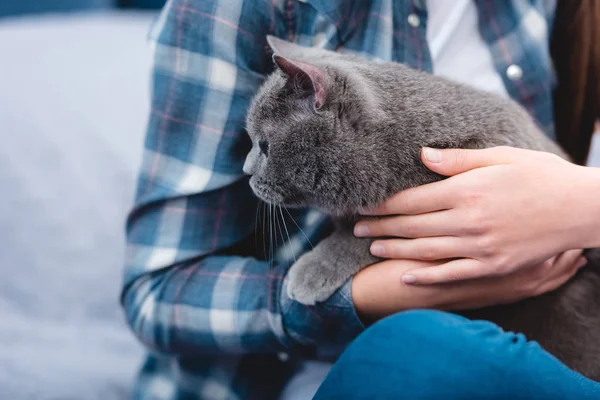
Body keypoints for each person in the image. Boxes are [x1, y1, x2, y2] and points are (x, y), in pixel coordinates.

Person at [121, 0, 600, 398]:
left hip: (525, 349)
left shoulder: (535, 8)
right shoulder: (236, 9)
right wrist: (366, 296)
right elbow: (157, 292)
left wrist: (583, 204)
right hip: (313, 376)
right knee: (415, 348)